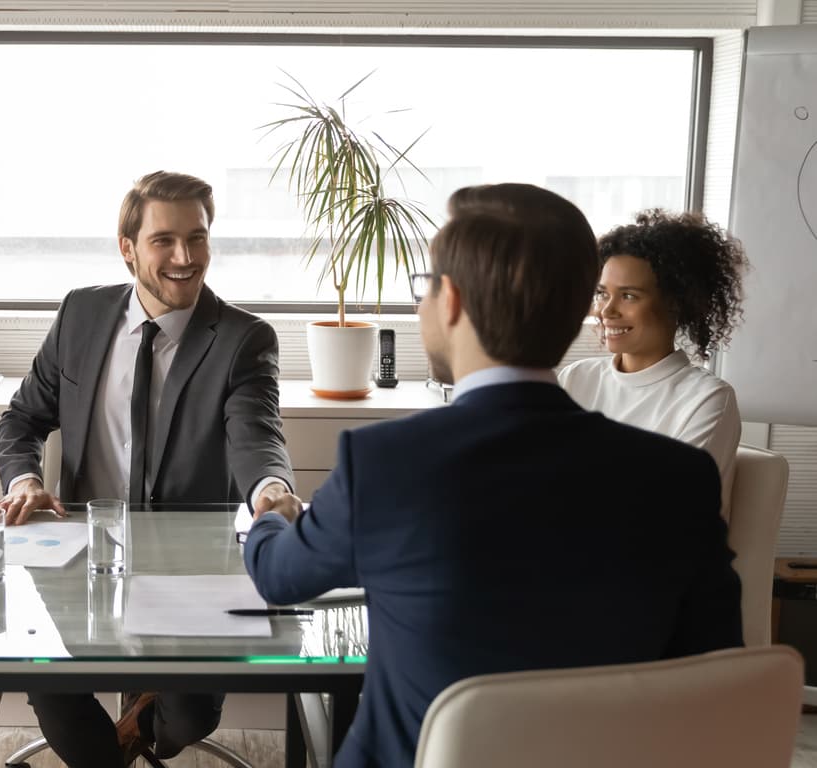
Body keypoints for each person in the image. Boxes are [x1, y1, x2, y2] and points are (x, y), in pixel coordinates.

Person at [245, 184, 742, 768]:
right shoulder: (680, 479)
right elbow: (714, 671)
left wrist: (272, 517)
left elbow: (279, 577)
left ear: (450, 300)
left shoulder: (385, 463)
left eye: (423, 286)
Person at [0, 170, 296, 765]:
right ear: (128, 248)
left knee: (187, 717)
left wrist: (272, 487)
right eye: (165, 240)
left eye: (198, 238)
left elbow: (257, 436)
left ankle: (144, 728)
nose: (185, 257)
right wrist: (26, 480)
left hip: (190, 571)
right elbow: (20, 420)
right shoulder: (81, 314)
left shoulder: (243, 339)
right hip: (79, 560)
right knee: (48, 683)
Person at [558, 209, 746, 517]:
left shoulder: (707, 399)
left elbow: (667, 513)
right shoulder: (576, 378)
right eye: (602, 294)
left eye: (629, 296)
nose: (607, 311)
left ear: (676, 302)